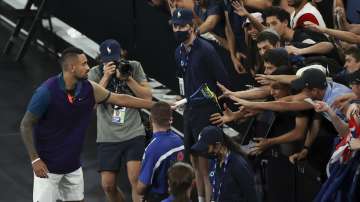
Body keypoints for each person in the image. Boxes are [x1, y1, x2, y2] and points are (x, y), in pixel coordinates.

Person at [19, 47, 154, 202]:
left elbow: (120, 99)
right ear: (72, 67)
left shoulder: (88, 88)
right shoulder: (46, 92)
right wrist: (35, 159)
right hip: (48, 169)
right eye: (84, 64)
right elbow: (25, 125)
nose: (88, 67)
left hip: (72, 166)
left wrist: (156, 106)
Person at [171, 8, 230, 202]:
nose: (177, 29)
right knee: (195, 163)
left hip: (207, 113)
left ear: (192, 27)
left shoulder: (206, 50)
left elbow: (222, 82)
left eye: (181, 26)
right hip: (190, 113)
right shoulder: (178, 51)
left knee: (206, 167)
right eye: (175, 26)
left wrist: (221, 108)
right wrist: (182, 99)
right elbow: (183, 79)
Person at [88, 39, 152, 202]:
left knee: (136, 181)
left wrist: (128, 78)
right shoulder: (95, 73)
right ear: (101, 59)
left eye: (115, 60)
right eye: (108, 61)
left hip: (133, 131)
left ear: (122, 54)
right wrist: (106, 77)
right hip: (107, 136)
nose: (113, 64)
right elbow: (90, 105)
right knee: (108, 185)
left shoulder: (133, 67)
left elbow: (147, 97)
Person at [191, 125, 259, 202]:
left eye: (207, 148)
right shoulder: (215, 161)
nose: (205, 152)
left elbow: (252, 197)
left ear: (218, 145)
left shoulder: (238, 165)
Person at [136, 102, 184, 202]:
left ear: (151, 119)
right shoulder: (179, 140)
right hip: (177, 195)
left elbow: (141, 188)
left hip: (158, 197)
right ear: (171, 119)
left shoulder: (153, 149)